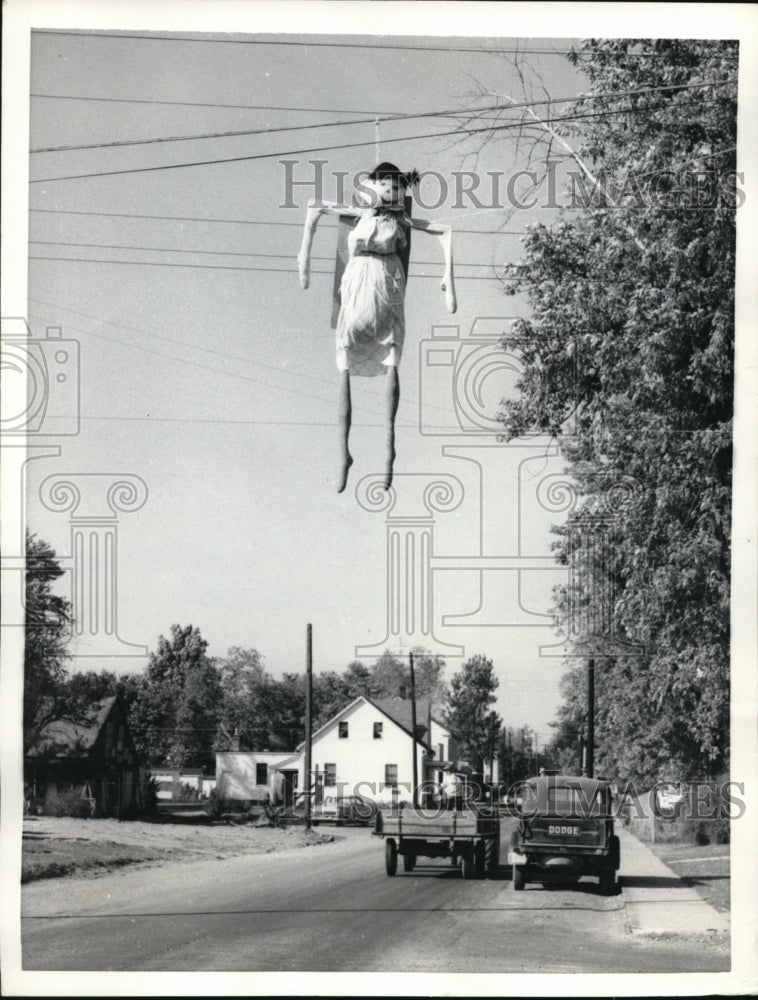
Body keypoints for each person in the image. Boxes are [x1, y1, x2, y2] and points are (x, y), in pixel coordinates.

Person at [298, 162, 456, 492]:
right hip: (358, 283)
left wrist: (448, 279)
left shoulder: (400, 221)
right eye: (385, 186)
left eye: (396, 188)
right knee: (344, 354)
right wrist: (304, 259)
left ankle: (389, 447)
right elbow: (315, 205)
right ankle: (344, 453)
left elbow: (444, 230)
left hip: (387, 285)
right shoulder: (360, 214)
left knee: (392, 354)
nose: (391, 193)